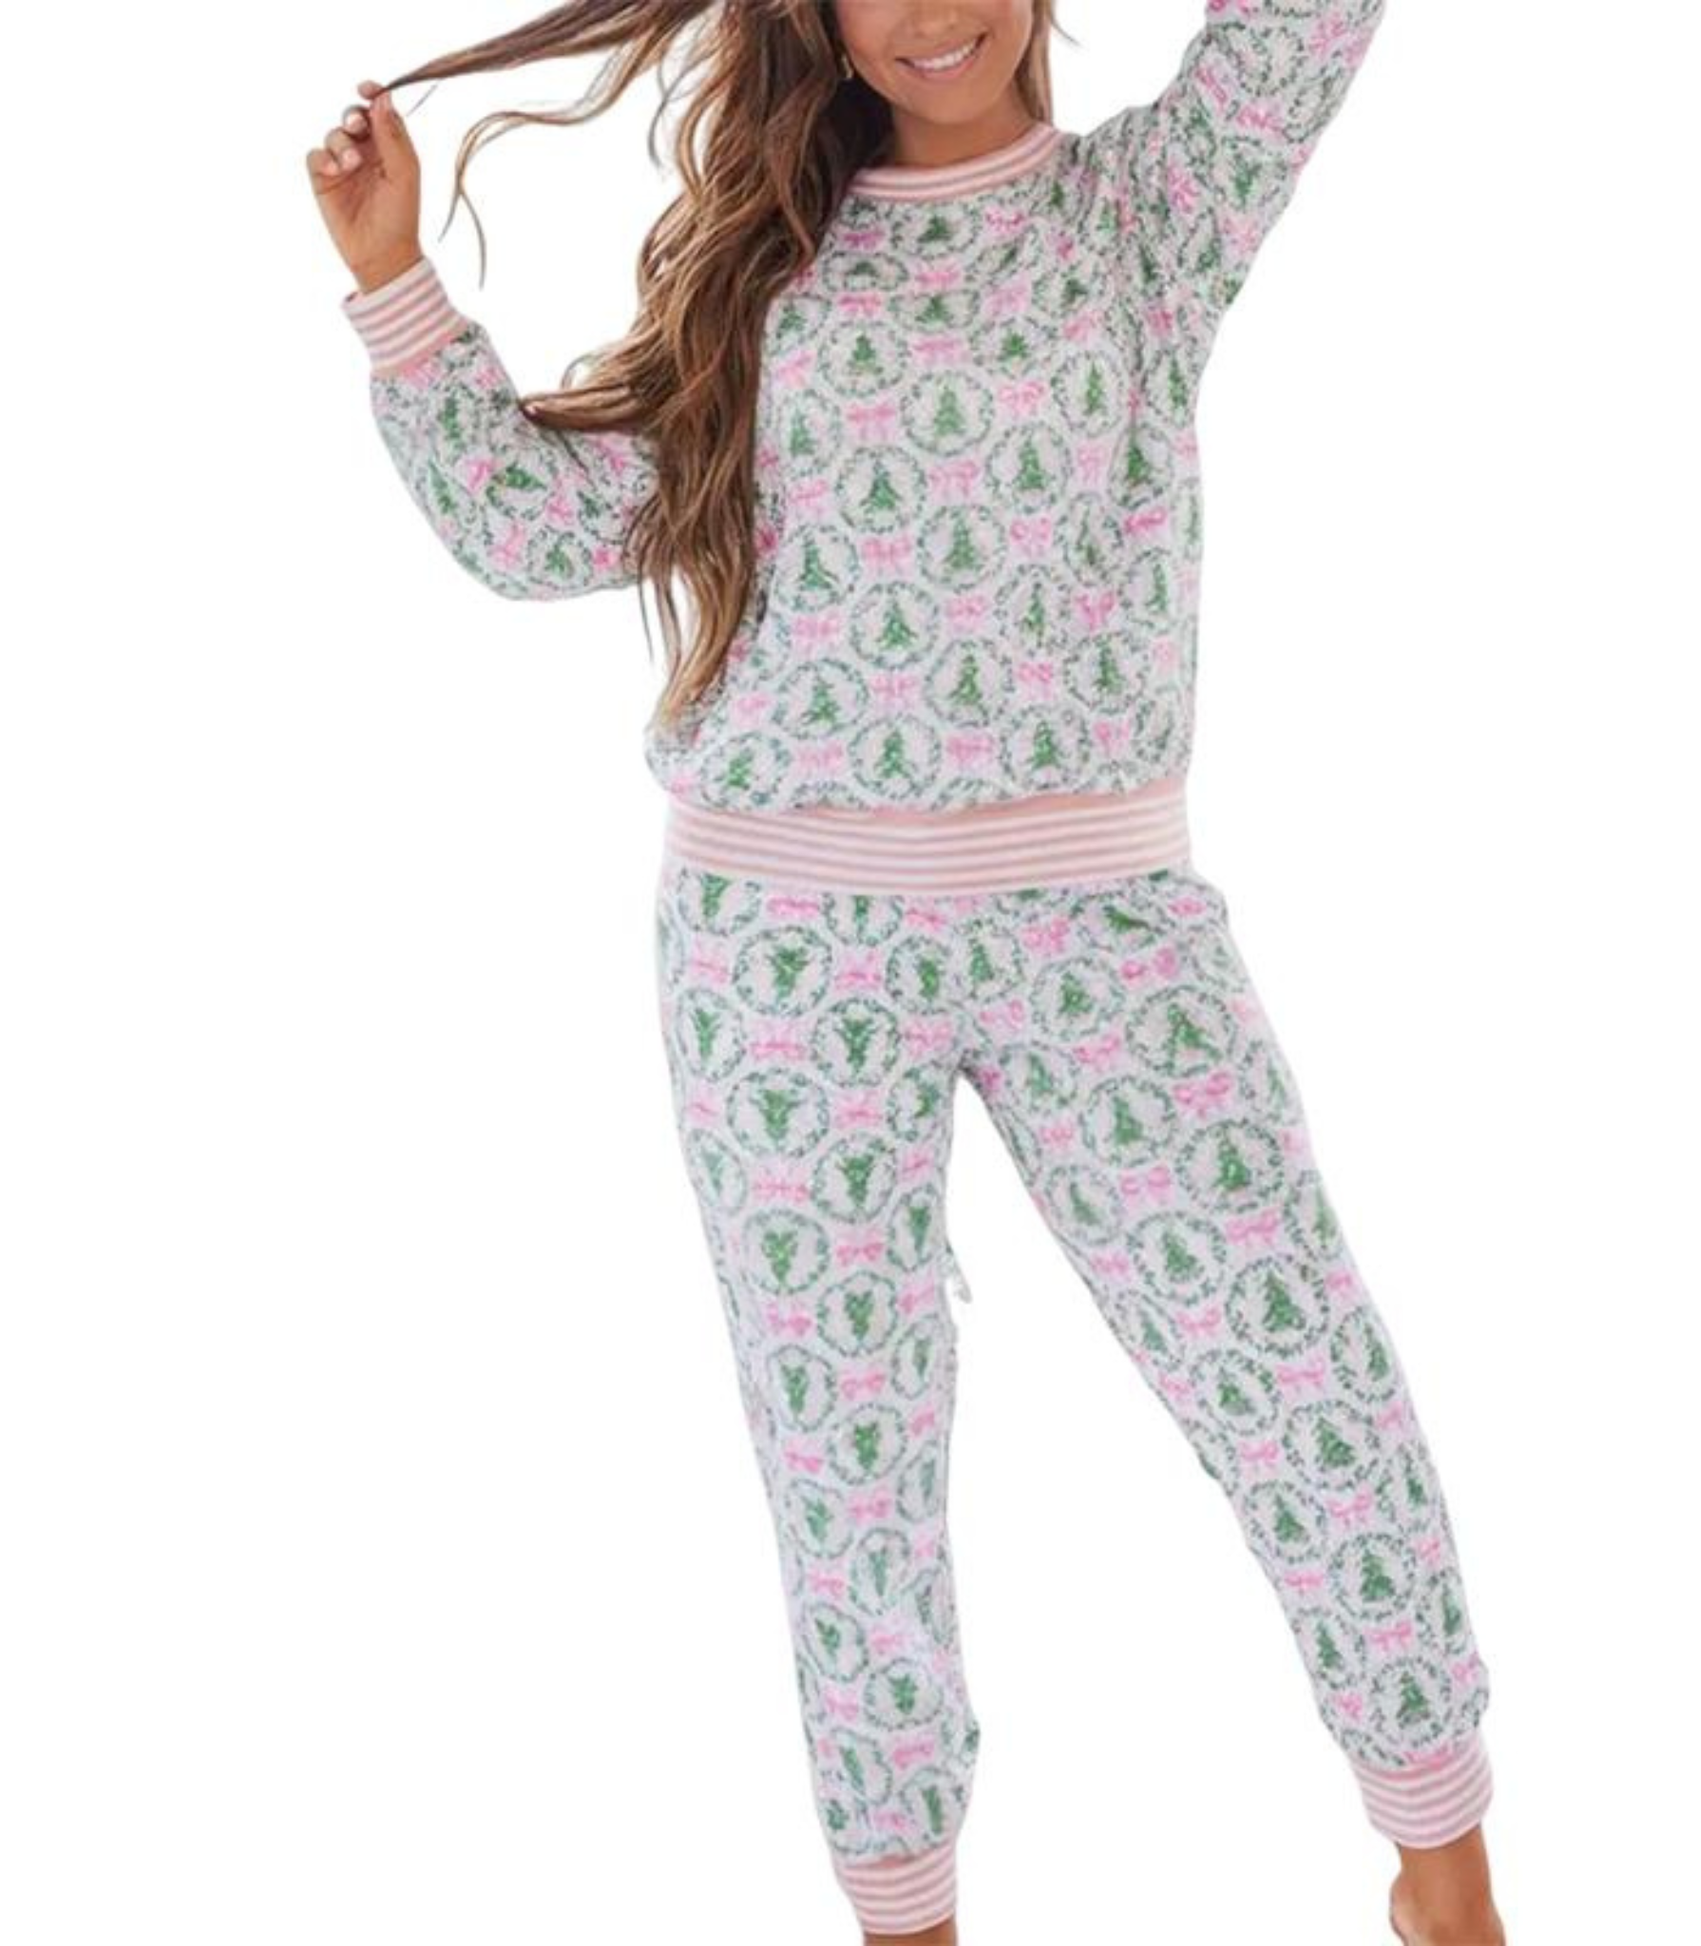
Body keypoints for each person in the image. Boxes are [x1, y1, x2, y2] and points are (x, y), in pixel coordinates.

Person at [307, 4, 1507, 1941]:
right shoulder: (760, 269)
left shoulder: (1149, 211)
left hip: (1100, 926)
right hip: (779, 952)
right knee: (848, 1474)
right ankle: (907, 1914)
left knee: (1302, 1380)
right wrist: (395, 283)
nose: (929, 10)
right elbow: (540, 535)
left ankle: (1446, 1883)